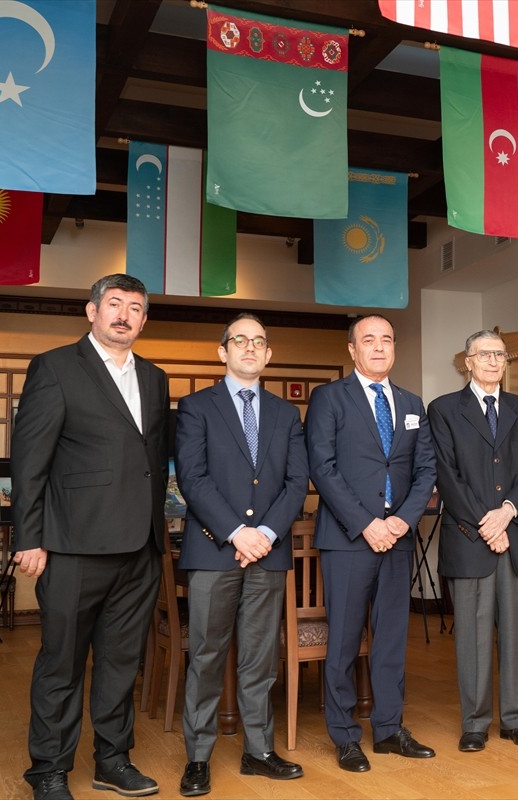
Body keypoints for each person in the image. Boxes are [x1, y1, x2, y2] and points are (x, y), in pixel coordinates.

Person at [11, 274, 168, 800]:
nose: (125, 315)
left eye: (136, 308)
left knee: (123, 662)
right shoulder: (56, 368)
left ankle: (112, 759)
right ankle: (48, 769)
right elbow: (31, 461)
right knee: (61, 662)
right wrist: (28, 538)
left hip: (139, 548)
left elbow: (152, 463)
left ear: (144, 320)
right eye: (115, 305)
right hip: (73, 545)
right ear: (92, 311)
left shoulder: (154, 377)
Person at [174, 314, 309, 795]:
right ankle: (198, 758)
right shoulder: (195, 407)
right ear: (223, 351)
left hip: (268, 554)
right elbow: (193, 479)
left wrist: (267, 532)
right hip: (214, 552)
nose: (249, 348)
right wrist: (236, 532)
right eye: (240, 340)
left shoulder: (286, 414)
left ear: (269, 354)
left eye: (259, 342)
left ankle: (259, 752)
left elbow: (297, 483)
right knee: (207, 657)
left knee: (260, 659)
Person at [305, 314, 438, 772]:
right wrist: (366, 523)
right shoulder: (329, 398)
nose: (378, 347)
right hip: (348, 538)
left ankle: (388, 728)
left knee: (391, 639)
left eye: (386, 340)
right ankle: (344, 735)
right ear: (352, 350)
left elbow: (425, 471)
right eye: (368, 340)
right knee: (342, 639)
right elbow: (322, 468)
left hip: (397, 538)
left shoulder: (412, 402)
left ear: (394, 348)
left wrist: (401, 521)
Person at [427, 330, 518, 752]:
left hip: (512, 535)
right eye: (484, 354)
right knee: (473, 638)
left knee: (515, 633)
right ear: (468, 362)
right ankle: (474, 723)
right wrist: (485, 523)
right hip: (470, 539)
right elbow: (447, 475)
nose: (494, 361)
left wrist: (508, 512)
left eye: (499, 354)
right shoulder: (443, 410)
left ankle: (515, 719)